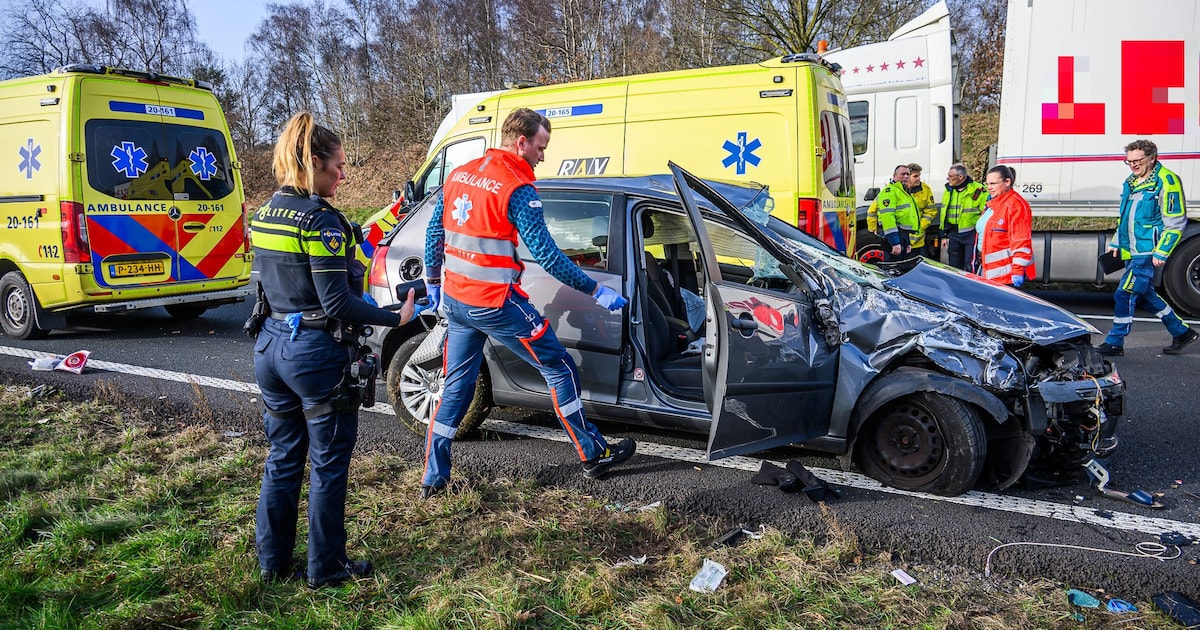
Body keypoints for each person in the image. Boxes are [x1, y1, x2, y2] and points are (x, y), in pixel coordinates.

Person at [420, 108, 636, 498]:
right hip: (497, 303)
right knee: (559, 367)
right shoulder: (515, 187)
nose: (542, 155)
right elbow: (549, 256)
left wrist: (433, 280)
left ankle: (433, 478)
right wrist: (595, 290)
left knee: (456, 387)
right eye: (540, 146)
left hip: (456, 300)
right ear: (521, 141)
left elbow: (435, 229)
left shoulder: (460, 174)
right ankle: (593, 453)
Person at [251, 112, 419, 588]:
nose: (343, 174)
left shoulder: (264, 213)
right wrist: (396, 318)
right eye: (338, 166)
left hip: (270, 347)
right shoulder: (320, 220)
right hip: (315, 353)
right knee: (327, 463)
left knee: (283, 457)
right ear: (313, 163)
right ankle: (325, 568)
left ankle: (272, 563)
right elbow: (336, 300)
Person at [1096, 139, 1196, 356]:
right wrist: (1116, 241)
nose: (1132, 165)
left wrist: (1162, 251)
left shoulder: (1167, 181)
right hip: (1131, 250)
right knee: (1145, 294)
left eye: (1137, 160)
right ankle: (1182, 332)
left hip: (1147, 253)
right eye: (1128, 161)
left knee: (1125, 293)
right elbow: (1125, 218)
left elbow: (1176, 221)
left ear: (1152, 158)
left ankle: (1115, 341)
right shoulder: (1131, 181)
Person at [975, 165, 1035, 286]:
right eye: (987, 184)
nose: (989, 188)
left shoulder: (1015, 205)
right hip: (990, 272)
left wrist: (1017, 271)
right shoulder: (993, 204)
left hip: (1005, 276)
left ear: (1007, 182)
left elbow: (1021, 242)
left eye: (993, 183)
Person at [940, 164, 987, 271]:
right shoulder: (948, 190)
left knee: (970, 265)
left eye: (950, 176)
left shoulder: (978, 190)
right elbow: (944, 213)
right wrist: (944, 234)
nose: (948, 178)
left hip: (971, 234)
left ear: (960, 177)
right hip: (953, 234)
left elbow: (985, 212)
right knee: (953, 267)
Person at [871, 164, 921, 262]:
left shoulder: (903, 192)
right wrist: (894, 243)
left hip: (902, 236)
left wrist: (907, 243)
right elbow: (888, 218)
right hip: (893, 237)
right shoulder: (890, 191)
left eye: (908, 174)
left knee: (900, 269)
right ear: (894, 176)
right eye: (902, 174)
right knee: (892, 269)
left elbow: (904, 219)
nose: (906, 176)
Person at [905, 163, 939, 258]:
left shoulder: (925, 189)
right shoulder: (897, 190)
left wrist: (920, 227)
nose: (918, 179)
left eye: (919, 176)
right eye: (915, 176)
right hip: (901, 242)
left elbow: (931, 211)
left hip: (919, 242)